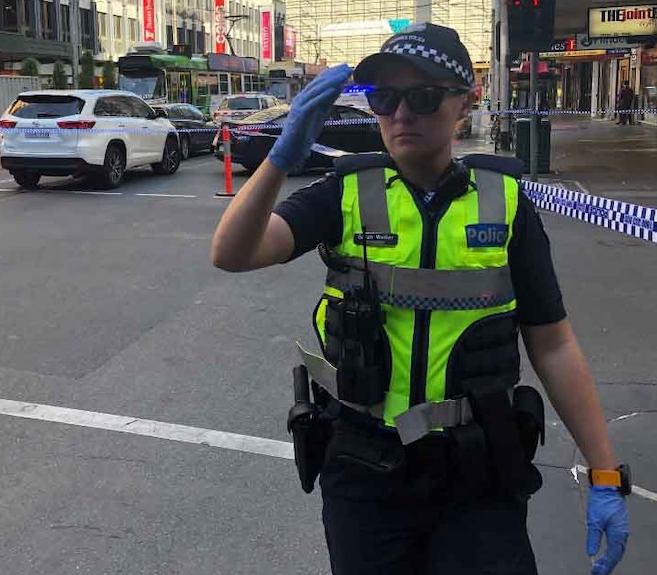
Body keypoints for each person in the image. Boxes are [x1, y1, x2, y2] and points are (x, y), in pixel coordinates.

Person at [210, 23, 630, 575]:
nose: (402, 114)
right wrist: (281, 158)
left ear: (464, 104)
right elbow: (233, 253)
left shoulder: (504, 203)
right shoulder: (346, 193)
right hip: (364, 467)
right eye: (386, 98)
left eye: (424, 96)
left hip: (478, 470)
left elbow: (553, 345)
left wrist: (603, 472)